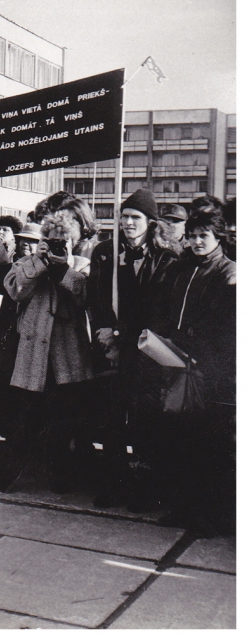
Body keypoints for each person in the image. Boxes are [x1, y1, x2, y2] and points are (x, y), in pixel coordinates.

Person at [88, 188, 178, 509]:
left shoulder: (167, 258)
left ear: (151, 223)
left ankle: (143, 488)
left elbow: (162, 307)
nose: (127, 222)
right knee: (112, 417)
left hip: (145, 349)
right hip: (112, 347)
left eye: (135, 218)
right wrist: (105, 330)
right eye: (124, 216)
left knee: (142, 419)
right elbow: (96, 296)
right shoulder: (104, 252)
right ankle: (113, 483)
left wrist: (131, 334)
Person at [151, 208, 236, 535]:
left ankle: (209, 516)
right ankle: (183, 508)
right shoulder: (180, 269)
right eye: (193, 235)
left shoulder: (228, 273)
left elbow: (228, 329)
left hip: (211, 371)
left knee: (208, 446)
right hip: (177, 363)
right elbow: (165, 311)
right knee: (179, 439)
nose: (198, 241)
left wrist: (206, 357)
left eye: (205, 236)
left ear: (218, 238)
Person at [0, 211, 95, 493]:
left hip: (67, 355)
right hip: (34, 353)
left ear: (73, 242)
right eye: (52, 240)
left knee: (63, 420)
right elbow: (15, 289)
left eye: (63, 241)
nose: (57, 246)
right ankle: (11, 472)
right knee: (25, 416)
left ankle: (60, 476)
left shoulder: (82, 265)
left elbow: (84, 296)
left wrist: (63, 269)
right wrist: (39, 262)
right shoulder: (28, 262)